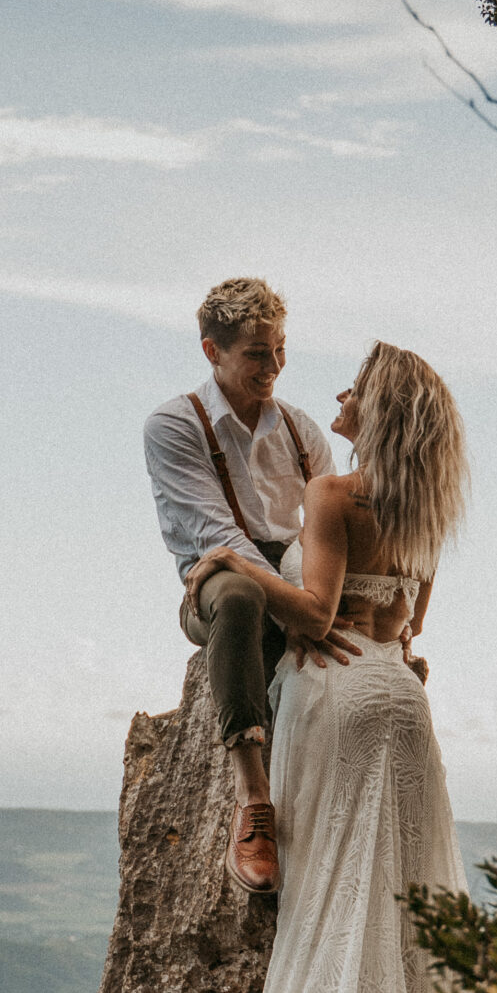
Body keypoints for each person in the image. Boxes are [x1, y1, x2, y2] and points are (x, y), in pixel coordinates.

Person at [175, 340, 496, 993]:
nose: (340, 394)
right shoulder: (425, 511)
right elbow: (410, 623)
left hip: (340, 700)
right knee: (399, 901)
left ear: (379, 408)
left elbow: (314, 618)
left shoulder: (334, 497)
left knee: (332, 901)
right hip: (402, 699)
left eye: (354, 385)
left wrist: (221, 571)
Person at [143, 276, 352, 897]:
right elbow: (220, 540)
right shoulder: (175, 424)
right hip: (216, 584)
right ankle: (253, 799)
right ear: (213, 351)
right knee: (238, 594)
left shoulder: (302, 430)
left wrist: (312, 597)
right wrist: (305, 614)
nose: (274, 366)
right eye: (257, 353)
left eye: (280, 349)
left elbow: (327, 531)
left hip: (292, 574)